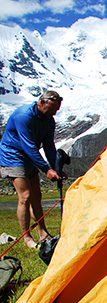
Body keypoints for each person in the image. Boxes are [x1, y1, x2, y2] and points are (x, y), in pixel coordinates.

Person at [0, 90, 64, 249]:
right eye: (51, 110)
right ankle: (27, 237)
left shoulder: (49, 121)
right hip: (13, 155)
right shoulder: (24, 116)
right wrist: (46, 170)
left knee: (37, 195)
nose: (53, 114)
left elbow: (49, 145)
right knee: (26, 196)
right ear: (42, 102)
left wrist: (55, 168)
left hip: (28, 156)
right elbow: (28, 146)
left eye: (55, 111)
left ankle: (43, 233)